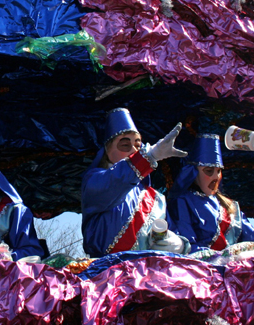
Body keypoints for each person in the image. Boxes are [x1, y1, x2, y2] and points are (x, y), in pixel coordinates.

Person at [80, 108, 189, 258]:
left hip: (149, 275)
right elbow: (115, 182)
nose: (133, 150)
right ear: (107, 150)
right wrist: (148, 157)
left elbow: (171, 232)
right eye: (125, 145)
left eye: (138, 146)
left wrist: (180, 245)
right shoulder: (94, 181)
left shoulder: (157, 199)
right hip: (107, 274)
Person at [169, 134, 254, 253]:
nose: (216, 177)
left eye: (219, 171)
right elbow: (186, 244)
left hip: (235, 265)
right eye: (209, 171)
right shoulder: (183, 202)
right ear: (193, 173)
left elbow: (252, 235)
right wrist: (220, 258)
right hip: (201, 267)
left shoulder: (230, 206)